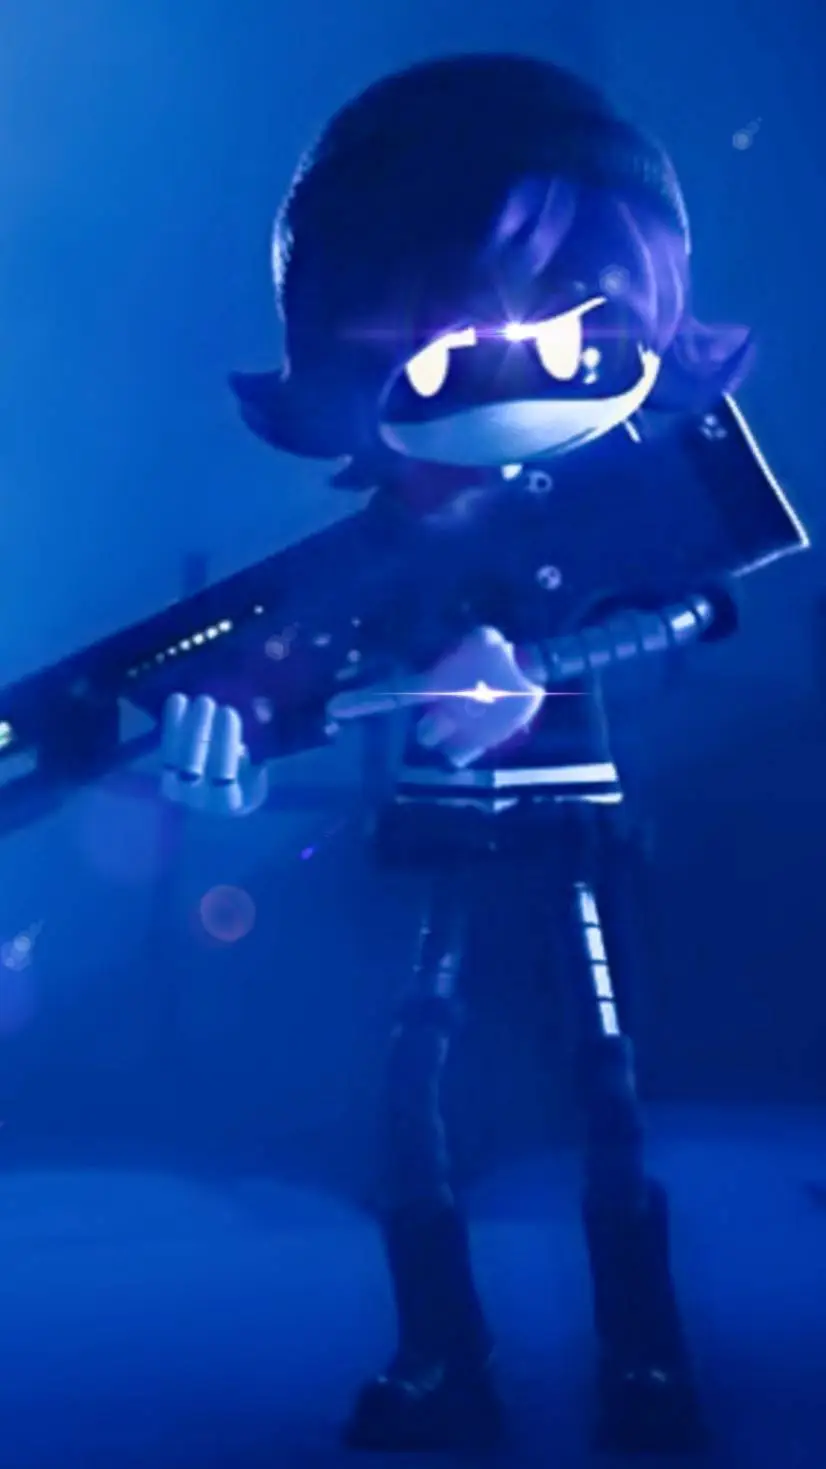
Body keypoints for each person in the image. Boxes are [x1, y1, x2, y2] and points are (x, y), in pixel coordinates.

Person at [158, 54, 803, 1453]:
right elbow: (293, 687)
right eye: (450, 348)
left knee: (603, 1084)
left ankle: (645, 1363)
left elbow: (699, 609)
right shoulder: (385, 548)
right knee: (413, 1089)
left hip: (567, 819)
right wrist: (225, 762)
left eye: (574, 336)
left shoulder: (627, 505)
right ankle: (442, 1361)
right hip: (444, 828)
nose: (518, 369)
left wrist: (544, 669)